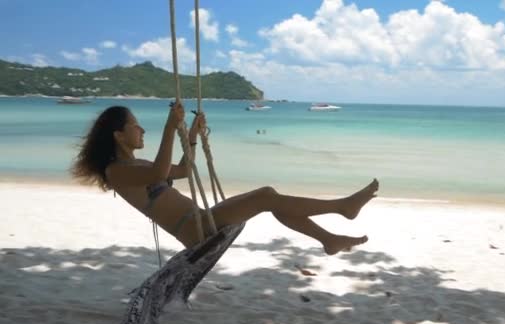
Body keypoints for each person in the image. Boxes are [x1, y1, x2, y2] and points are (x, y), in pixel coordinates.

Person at [71, 103, 379, 254]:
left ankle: (328, 238)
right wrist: (169, 127)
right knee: (265, 197)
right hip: (195, 231)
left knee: (268, 196)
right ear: (118, 135)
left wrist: (190, 133)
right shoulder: (117, 172)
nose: (141, 131)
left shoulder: (138, 165)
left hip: (203, 219)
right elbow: (159, 174)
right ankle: (342, 207)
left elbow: (182, 170)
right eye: (135, 126)